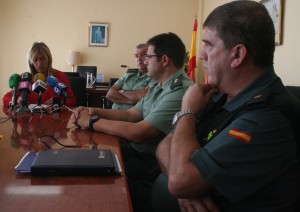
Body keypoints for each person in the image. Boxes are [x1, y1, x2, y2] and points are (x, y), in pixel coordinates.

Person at [152, 1, 300, 212]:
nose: (201, 54)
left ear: (237, 55)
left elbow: (179, 180)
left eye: (209, 44)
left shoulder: (268, 117)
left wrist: (187, 112)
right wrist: (189, 185)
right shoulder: (220, 96)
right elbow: (165, 146)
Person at [72, 32, 194, 211]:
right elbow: (130, 115)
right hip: (136, 153)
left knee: (97, 184)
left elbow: (139, 133)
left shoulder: (180, 91)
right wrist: (93, 110)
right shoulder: (158, 85)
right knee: (88, 160)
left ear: (165, 60)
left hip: (153, 164)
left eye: (149, 57)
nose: (144, 61)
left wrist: (91, 122)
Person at [3, 42, 76, 107]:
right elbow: (6, 97)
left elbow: (71, 100)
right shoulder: (25, 78)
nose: (39, 63)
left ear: (49, 59)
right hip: (30, 120)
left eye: (42, 59)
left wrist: (58, 101)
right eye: (35, 60)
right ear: (31, 62)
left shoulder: (60, 76)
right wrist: (14, 101)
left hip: (54, 119)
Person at [106, 43, 154, 110]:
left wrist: (121, 92)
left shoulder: (155, 76)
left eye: (144, 55)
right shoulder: (129, 73)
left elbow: (143, 95)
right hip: (113, 113)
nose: (139, 59)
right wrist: (131, 101)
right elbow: (109, 94)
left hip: (133, 118)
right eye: (136, 56)